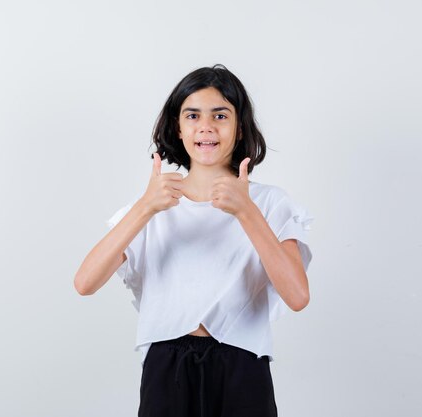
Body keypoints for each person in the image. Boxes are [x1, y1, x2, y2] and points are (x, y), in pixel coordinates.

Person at [74, 64, 314, 417]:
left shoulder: (269, 203)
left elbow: (297, 296)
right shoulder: (153, 204)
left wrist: (246, 211)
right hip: (166, 366)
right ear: (178, 126)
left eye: (220, 115)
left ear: (239, 126)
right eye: (193, 115)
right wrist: (145, 207)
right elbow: (85, 282)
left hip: (243, 364)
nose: (206, 126)